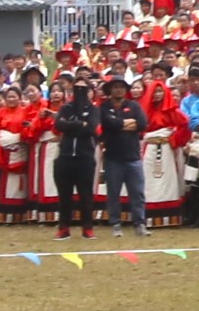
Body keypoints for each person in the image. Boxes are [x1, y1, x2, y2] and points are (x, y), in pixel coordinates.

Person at [97, 77, 149, 236]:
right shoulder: (104, 107)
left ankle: (140, 224)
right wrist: (127, 123)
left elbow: (142, 124)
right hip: (113, 158)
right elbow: (108, 123)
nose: (118, 90)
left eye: (121, 87)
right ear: (110, 90)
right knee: (113, 194)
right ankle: (116, 224)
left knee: (137, 193)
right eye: (115, 87)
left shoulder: (134, 105)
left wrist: (118, 124)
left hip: (133, 157)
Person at [52, 79, 99, 239]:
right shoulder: (66, 108)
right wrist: (80, 124)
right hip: (65, 156)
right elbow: (59, 125)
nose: (79, 92)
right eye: (76, 88)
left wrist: (71, 125)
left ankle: (87, 228)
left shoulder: (93, 109)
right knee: (64, 195)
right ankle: (64, 228)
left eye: (83, 89)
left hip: (84, 157)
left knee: (85, 195)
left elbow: (91, 128)